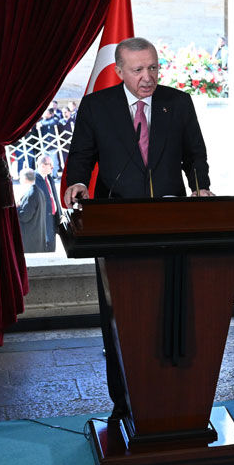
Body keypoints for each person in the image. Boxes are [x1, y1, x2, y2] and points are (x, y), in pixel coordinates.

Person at [63, 36, 212, 421]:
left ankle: (172, 396)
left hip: (171, 225)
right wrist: (76, 183)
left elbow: (195, 154)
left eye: (153, 68)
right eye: (138, 70)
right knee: (122, 321)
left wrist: (201, 186)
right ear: (119, 71)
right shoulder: (98, 106)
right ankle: (122, 401)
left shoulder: (176, 103)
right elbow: (80, 156)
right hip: (116, 227)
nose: (148, 77)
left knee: (169, 313)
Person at [16, 169, 52, 253]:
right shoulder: (38, 191)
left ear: (24, 178)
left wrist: (17, 207)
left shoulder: (31, 194)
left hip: (31, 238)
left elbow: (25, 216)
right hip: (36, 236)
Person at [34, 153, 61, 251]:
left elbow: (54, 197)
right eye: (50, 164)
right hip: (43, 220)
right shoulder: (34, 179)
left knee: (52, 246)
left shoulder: (49, 178)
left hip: (53, 217)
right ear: (42, 165)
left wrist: (60, 214)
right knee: (46, 246)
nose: (53, 167)